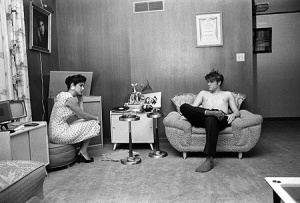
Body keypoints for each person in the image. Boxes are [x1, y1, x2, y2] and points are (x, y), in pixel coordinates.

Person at [180, 70, 240, 173]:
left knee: (212, 119)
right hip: (204, 118)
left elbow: (237, 112)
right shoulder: (203, 93)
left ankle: (209, 158)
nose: (208, 84)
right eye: (207, 81)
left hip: (220, 119)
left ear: (219, 82)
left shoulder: (227, 94)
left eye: (211, 81)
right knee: (184, 107)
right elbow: (193, 108)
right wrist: (187, 114)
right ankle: (211, 112)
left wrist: (233, 115)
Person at [49, 74, 100, 163]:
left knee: (87, 121)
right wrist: (96, 118)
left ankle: (82, 152)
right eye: (81, 85)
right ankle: (83, 152)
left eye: (83, 86)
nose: (83, 88)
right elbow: (83, 115)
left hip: (55, 132)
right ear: (72, 85)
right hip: (60, 134)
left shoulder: (63, 95)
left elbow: (80, 116)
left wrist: (80, 100)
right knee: (94, 122)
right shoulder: (69, 99)